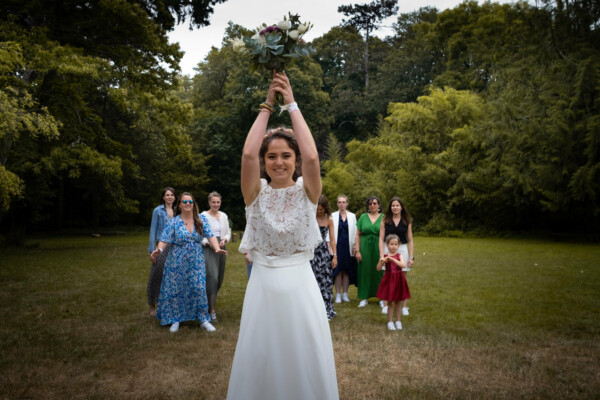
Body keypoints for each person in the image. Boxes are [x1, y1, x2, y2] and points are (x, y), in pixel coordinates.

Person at [227, 71, 339, 400]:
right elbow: (247, 155)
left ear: (295, 161)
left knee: (304, 362)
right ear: (264, 162)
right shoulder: (254, 193)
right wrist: (267, 103)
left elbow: (314, 156)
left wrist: (291, 103)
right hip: (263, 288)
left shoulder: (308, 192)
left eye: (286, 156)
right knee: (261, 362)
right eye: (272, 156)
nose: (279, 162)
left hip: (302, 289)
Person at [150, 192, 226, 333]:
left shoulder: (200, 220)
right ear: (179, 204)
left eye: (190, 202)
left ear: (193, 204)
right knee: (176, 289)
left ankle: (203, 319)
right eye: (184, 202)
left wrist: (216, 248)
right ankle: (175, 319)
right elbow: (165, 238)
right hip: (176, 261)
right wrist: (159, 250)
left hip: (196, 260)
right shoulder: (174, 221)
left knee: (198, 288)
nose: (187, 204)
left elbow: (210, 235)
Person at [379, 196, 415, 316]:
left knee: (402, 279)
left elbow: (410, 240)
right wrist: (381, 256)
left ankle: (404, 307)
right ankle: (385, 305)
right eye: (393, 205)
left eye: (397, 205)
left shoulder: (406, 221)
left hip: (402, 249)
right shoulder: (385, 220)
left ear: (401, 207)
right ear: (390, 207)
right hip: (387, 249)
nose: (395, 207)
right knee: (386, 278)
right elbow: (380, 239)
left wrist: (411, 257)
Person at [201, 191, 231, 323]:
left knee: (219, 278)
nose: (216, 204)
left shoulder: (223, 215)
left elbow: (228, 232)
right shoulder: (203, 216)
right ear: (209, 202)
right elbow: (198, 234)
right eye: (213, 202)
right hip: (208, 248)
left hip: (221, 248)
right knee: (212, 276)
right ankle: (212, 311)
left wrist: (225, 240)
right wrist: (208, 243)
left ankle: (209, 303)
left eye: (218, 202)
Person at [147, 187, 176, 316]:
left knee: (172, 275)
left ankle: (168, 304)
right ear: (163, 197)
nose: (169, 197)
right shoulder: (157, 211)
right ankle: (152, 304)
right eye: (167, 195)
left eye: (172, 195)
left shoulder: (177, 211)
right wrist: (151, 250)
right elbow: (153, 230)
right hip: (161, 245)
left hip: (175, 246)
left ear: (175, 197)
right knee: (157, 273)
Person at [355, 196, 384, 308]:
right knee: (365, 271)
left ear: (379, 205)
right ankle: (364, 297)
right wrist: (357, 251)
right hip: (364, 246)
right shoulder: (363, 217)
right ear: (367, 206)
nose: (372, 205)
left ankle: (381, 297)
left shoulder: (383, 217)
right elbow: (357, 235)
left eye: (375, 203)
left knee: (379, 271)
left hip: (378, 246)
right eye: (370, 203)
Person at [311, 195, 337, 320]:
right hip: (310, 252)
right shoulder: (310, 217)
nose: (319, 211)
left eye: (321, 209)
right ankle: (312, 310)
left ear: (325, 208)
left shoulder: (329, 219)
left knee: (325, 280)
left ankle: (327, 309)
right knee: (312, 280)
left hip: (323, 253)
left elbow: (332, 239)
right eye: (317, 209)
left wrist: (335, 256)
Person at [376, 234, 410, 331]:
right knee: (391, 303)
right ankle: (390, 322)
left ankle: (398, 321)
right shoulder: (385, 256)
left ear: (398, 245)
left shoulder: (399, 256)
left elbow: (403, 265)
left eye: (395, 244)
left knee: (398, 302)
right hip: (390, 281)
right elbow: (378, 268)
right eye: (391, 244)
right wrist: (380, 261)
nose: (394, 246)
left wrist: (393, 259)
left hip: (399, 280)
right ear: (387, 245)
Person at [331, 195, 357, 303]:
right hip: (337, 247)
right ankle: (337, 295)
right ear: (337, 204)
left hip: (348, 247)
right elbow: (330, 232)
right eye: (340, 202)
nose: (342, 204)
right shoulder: (332, 216)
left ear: (347, 204)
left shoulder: (352, 216)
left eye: (344, 202)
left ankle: (345, 294)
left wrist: (355, 246)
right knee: (337, 271)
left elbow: (356, 232)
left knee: (346, 270)